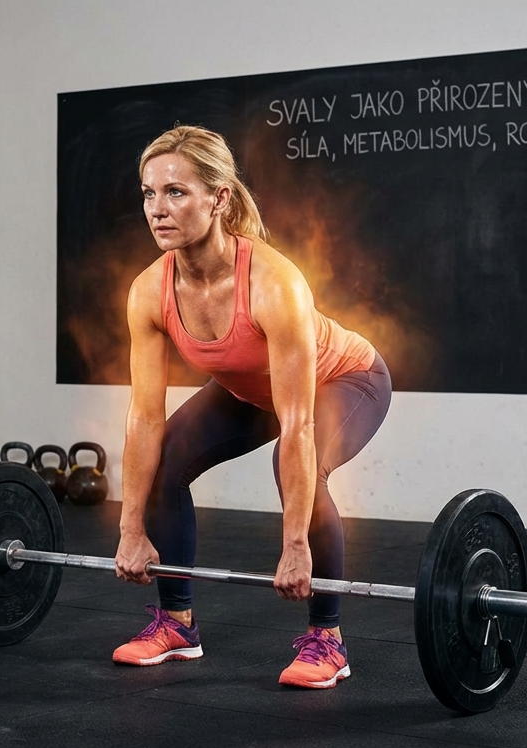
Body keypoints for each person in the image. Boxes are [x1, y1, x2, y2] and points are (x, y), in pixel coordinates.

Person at [111, 125, 392, 690]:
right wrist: (130, 526)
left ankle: (327, 640)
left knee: (302, 474)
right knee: (163, 461)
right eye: (148, 193)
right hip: (253, 391)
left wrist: (293, 546)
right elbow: (144, 418)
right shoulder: (148, 291)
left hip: (343, 379)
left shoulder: (273, 283)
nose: (157, 209)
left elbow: (298, 421)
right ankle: (177, 624)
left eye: (176, 192)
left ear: (219, 199)